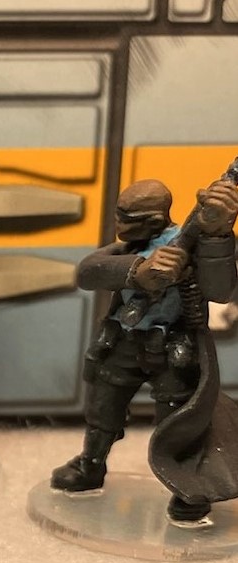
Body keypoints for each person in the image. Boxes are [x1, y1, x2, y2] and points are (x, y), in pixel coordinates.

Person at [51, 177, 238, 524]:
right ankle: (91, 464)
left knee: (179, 421)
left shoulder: (193, 243)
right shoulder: (132, 248)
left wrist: (218, 236)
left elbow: (221, 290)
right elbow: (88, 272)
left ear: (152, 220)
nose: (119, 225)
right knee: (103, 407)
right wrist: (139, 271)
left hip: (173, 347)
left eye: (126, 219)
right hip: (124, 339)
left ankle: (187, 487)